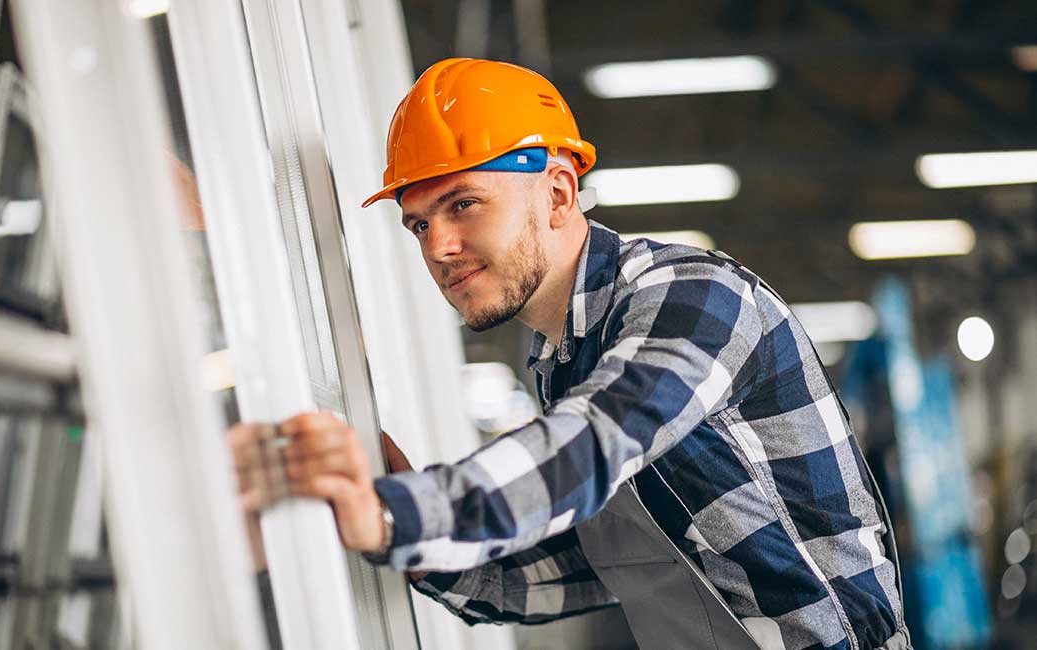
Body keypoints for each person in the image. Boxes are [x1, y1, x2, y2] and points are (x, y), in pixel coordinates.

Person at [230, 58, 911, 650]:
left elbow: (592, 444)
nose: (436, 247)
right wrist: (399, 538)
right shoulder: (563, 362)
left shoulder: (693, 298)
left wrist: (401, 511)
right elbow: (603, 569)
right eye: (419, 223)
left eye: (463, 204)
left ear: (557, 193)